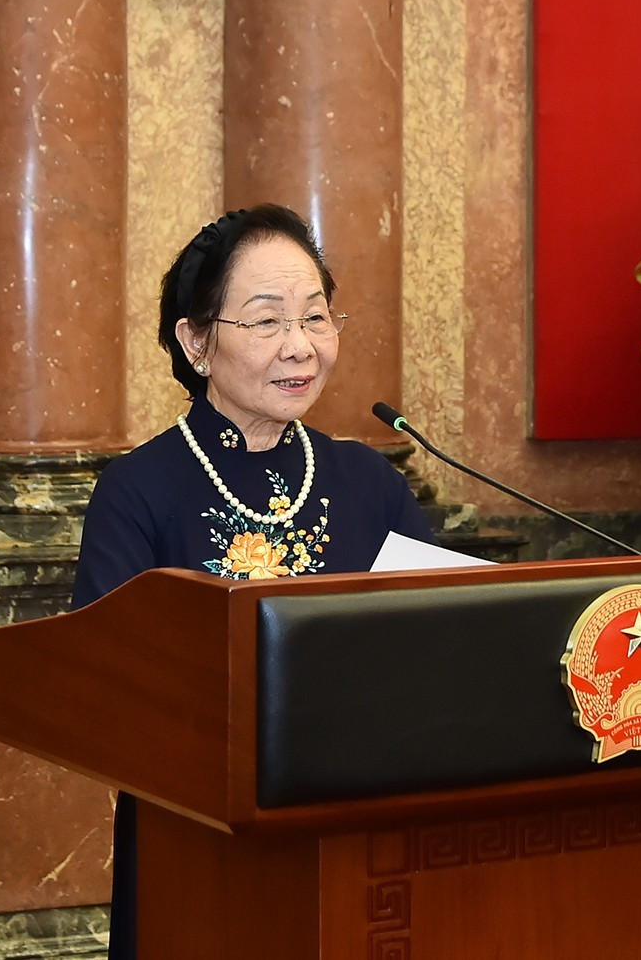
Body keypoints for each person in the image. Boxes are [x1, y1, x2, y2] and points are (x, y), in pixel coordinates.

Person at [72, 203, 434, 959]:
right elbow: (106, 695)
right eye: (267, 321)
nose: (301, 346)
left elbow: (443, 647)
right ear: (196, 341)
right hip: (201, 853)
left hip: (359, 841)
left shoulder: (370, 482)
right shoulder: (137, 491)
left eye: (316, 317)